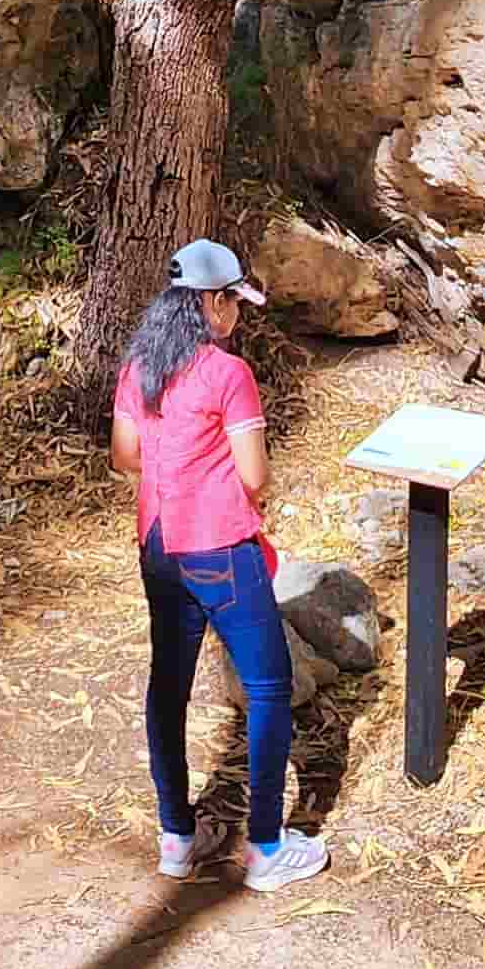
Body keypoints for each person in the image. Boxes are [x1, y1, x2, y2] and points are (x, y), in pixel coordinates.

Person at [110, 237, 329, 892]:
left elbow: (126, 456)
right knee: (267, 687)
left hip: (158, 544)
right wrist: (212, 483)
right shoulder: (227, 373)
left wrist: (175, 472)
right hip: (221, 547)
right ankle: (265, 847)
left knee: (168, 686)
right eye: (233, 298)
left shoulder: (140, 368)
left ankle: (175, 836)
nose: (237, 312)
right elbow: (254, 475)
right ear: (210, 301)